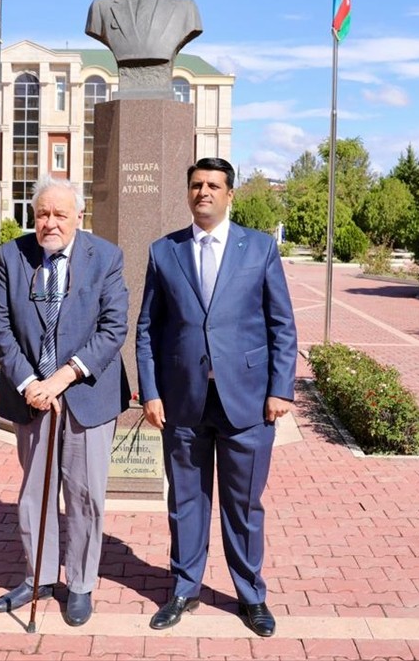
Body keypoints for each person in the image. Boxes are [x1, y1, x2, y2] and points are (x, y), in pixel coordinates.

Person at [136, 157, 298, 638]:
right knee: (185, 501)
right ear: (188, 193)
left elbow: (281, 326)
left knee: (243, 505)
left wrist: (279, 389)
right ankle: (184, 588)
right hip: (183, 401)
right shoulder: (165, 251)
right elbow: (147, 329)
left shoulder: (260, 248)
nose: (203, 192)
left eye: (213, 185)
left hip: (246, 401)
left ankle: (251, 596)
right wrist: (151, 391)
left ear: (230, 194)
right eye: (196, 185)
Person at [0, 175, 130, 627]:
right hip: (31, 395)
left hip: (85, 393)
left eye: (59, 214)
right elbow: (0, 326)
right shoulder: (14, 255)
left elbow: (113, 328)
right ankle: (40, 577)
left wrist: (63, 377)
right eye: (42, 214)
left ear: (79, 217)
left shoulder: (104, 256)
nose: (49, 223)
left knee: (85, 494)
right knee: (35, 492)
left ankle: (82, 584)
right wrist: (30, 381)